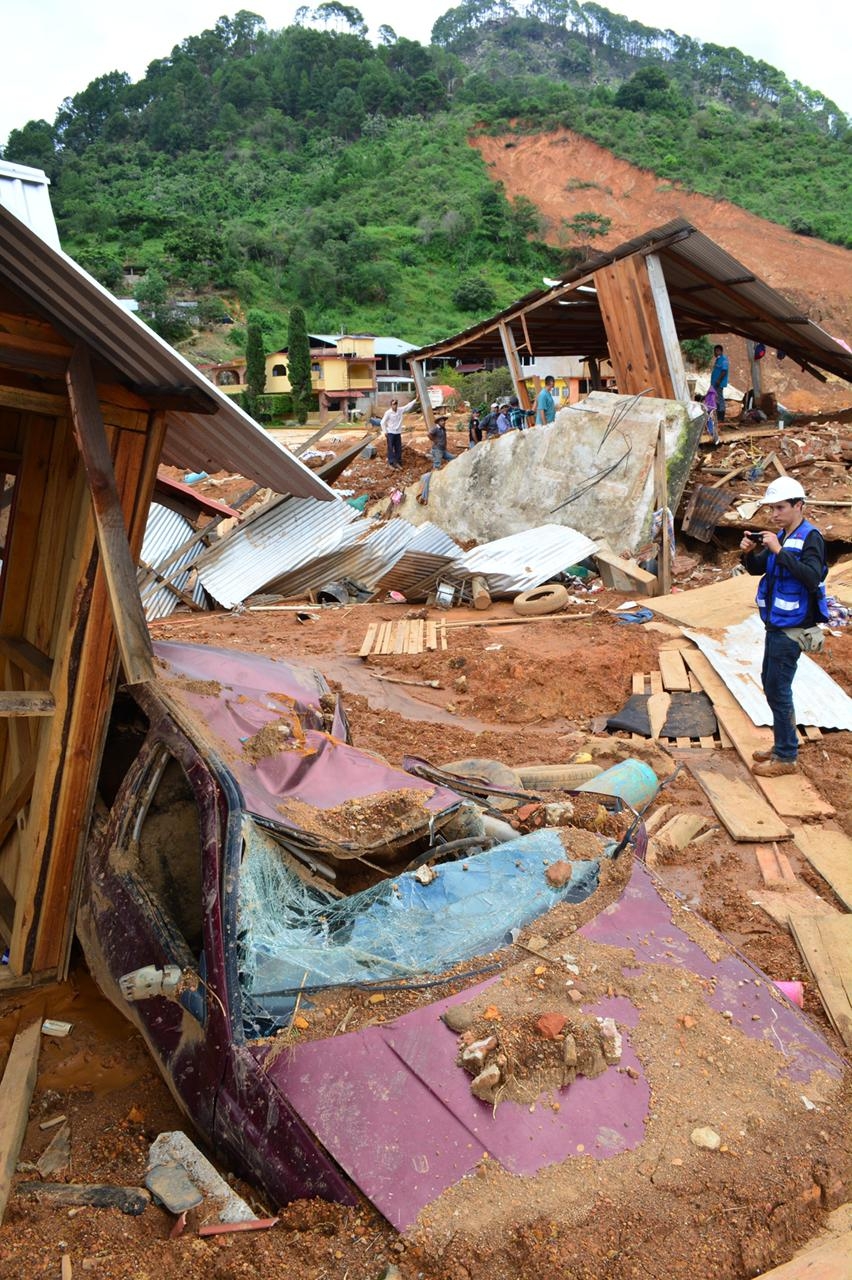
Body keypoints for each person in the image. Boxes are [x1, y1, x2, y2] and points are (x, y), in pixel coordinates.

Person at [740, 478, 828, 777]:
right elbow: (757, 569)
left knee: (778, 688)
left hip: (793, 629)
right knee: (772, 684)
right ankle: (781, 746)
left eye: (780, 507)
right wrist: (750, 552)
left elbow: (812, 576)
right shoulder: (782, 535)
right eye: (772, 508)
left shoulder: (810, 537)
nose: (774, 513)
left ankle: (786, 756)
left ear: (798, 506)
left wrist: (778, 550)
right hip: (776, 624)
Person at [380, 396, 416, 469]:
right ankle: (391, 463)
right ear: (391, 405)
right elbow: (382, 422)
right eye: (393, 404)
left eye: (396, 404)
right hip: (390, 433)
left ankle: (398, 462)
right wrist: (385, 432)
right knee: (390, 448)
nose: (395, 405)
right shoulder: (388, 413)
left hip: (397, 433)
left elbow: (407, 406)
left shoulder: (400, 410)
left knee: (398, 448)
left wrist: (415, 400)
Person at [711, 345, 729, 423]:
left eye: (717, 351)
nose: (716, 352)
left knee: (720, 399)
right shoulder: (718, 360)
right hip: (714, 383)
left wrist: (718, 381)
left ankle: (721, 417)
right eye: (715, 351)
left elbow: (724, 371)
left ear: (721, 351)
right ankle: (717, 416)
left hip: (719, 383)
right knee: (716, 399)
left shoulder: (724, 360)